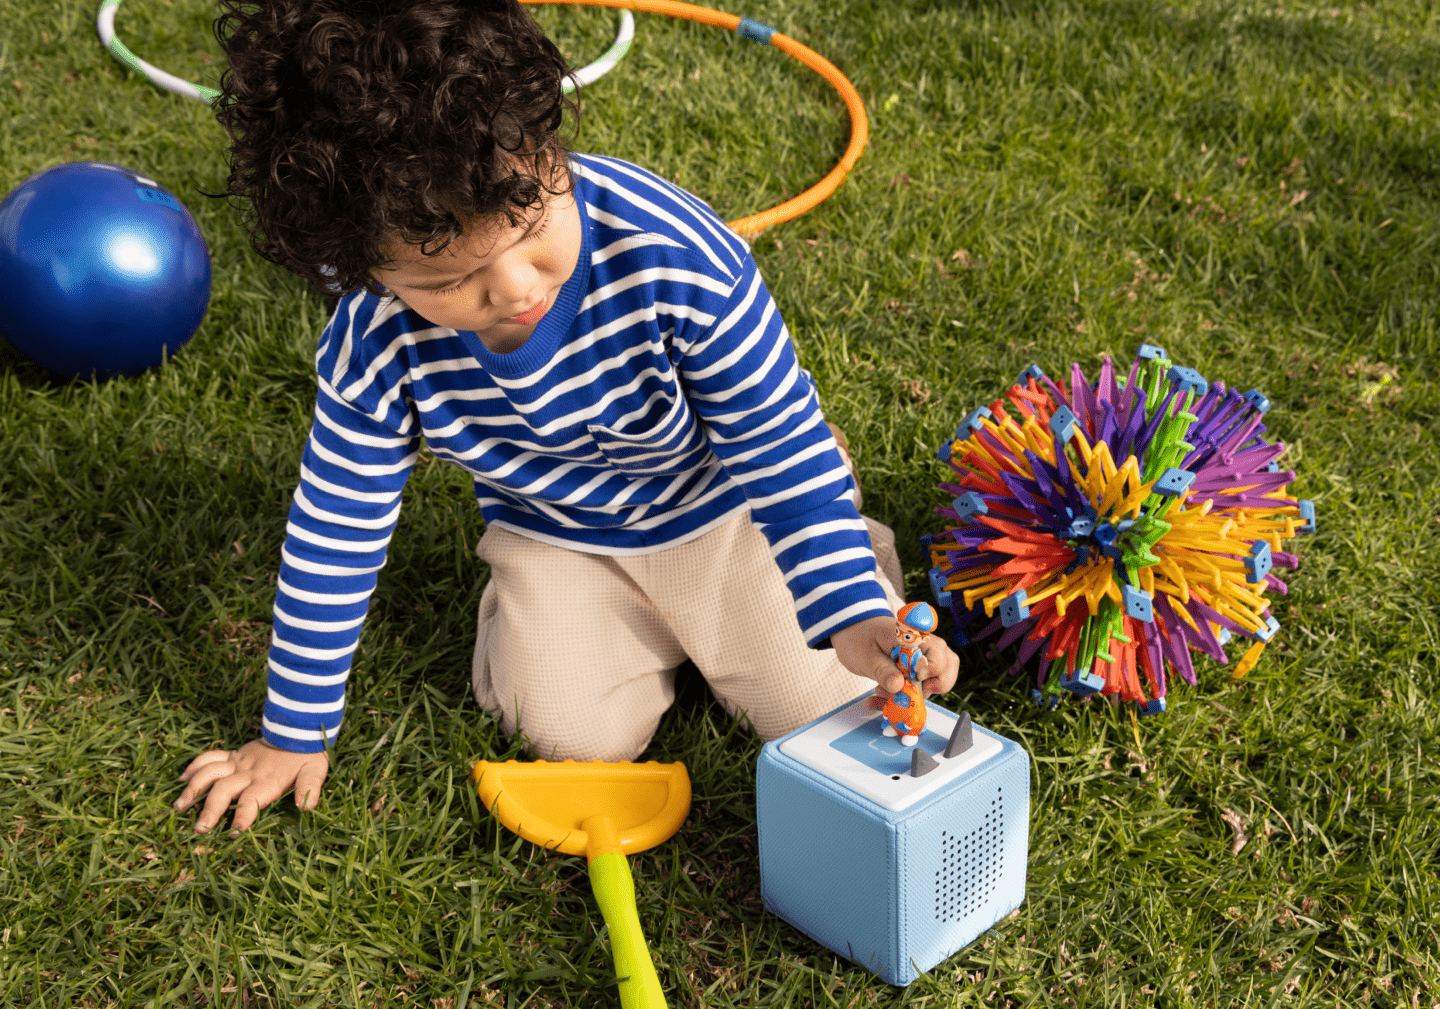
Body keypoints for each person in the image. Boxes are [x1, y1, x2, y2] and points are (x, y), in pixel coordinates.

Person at [174, 0, 958, 836]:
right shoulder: (375, 338)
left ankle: (845, 558)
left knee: (830, 709)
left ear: (548, 146)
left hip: (728, 508)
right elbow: (336, 526)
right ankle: (584, 620)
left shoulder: (675, 255)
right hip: (560, 535)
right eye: (450, 283)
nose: (514, 287)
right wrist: (293, 733)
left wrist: (851, 614)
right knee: (562, 733)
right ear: (358, 271)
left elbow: (780, 451)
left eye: (531, 219)